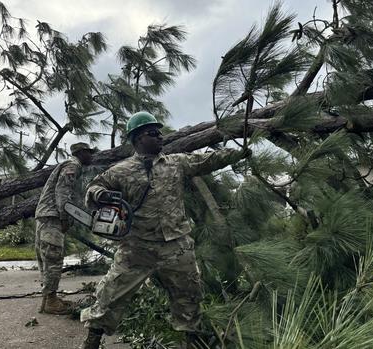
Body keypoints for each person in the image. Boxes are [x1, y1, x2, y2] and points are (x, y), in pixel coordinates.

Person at [80, 111, 251, 348]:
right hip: (136, 248)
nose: (160, 137)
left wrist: (239, 152)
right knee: (109, 296)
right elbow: (93, 189)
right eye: (153, 133)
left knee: (189, 298)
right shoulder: (120, 170)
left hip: (177, 247)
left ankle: (191, 342)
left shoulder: (176, 162)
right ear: (138, 138)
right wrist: (98, 194)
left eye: (159, 132)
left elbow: (208, 160)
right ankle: (91, 342)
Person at [35, 142, 95, 315]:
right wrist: (64, 216)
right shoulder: (72, 166)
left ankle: (48, 299)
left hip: (46, 215)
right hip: (53, 216)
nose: (91, 156)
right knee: (53, 258)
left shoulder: (70, 165)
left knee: (46, 259)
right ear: (81, 153)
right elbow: (62, 192)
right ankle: (51, 301)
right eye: (89, 153)